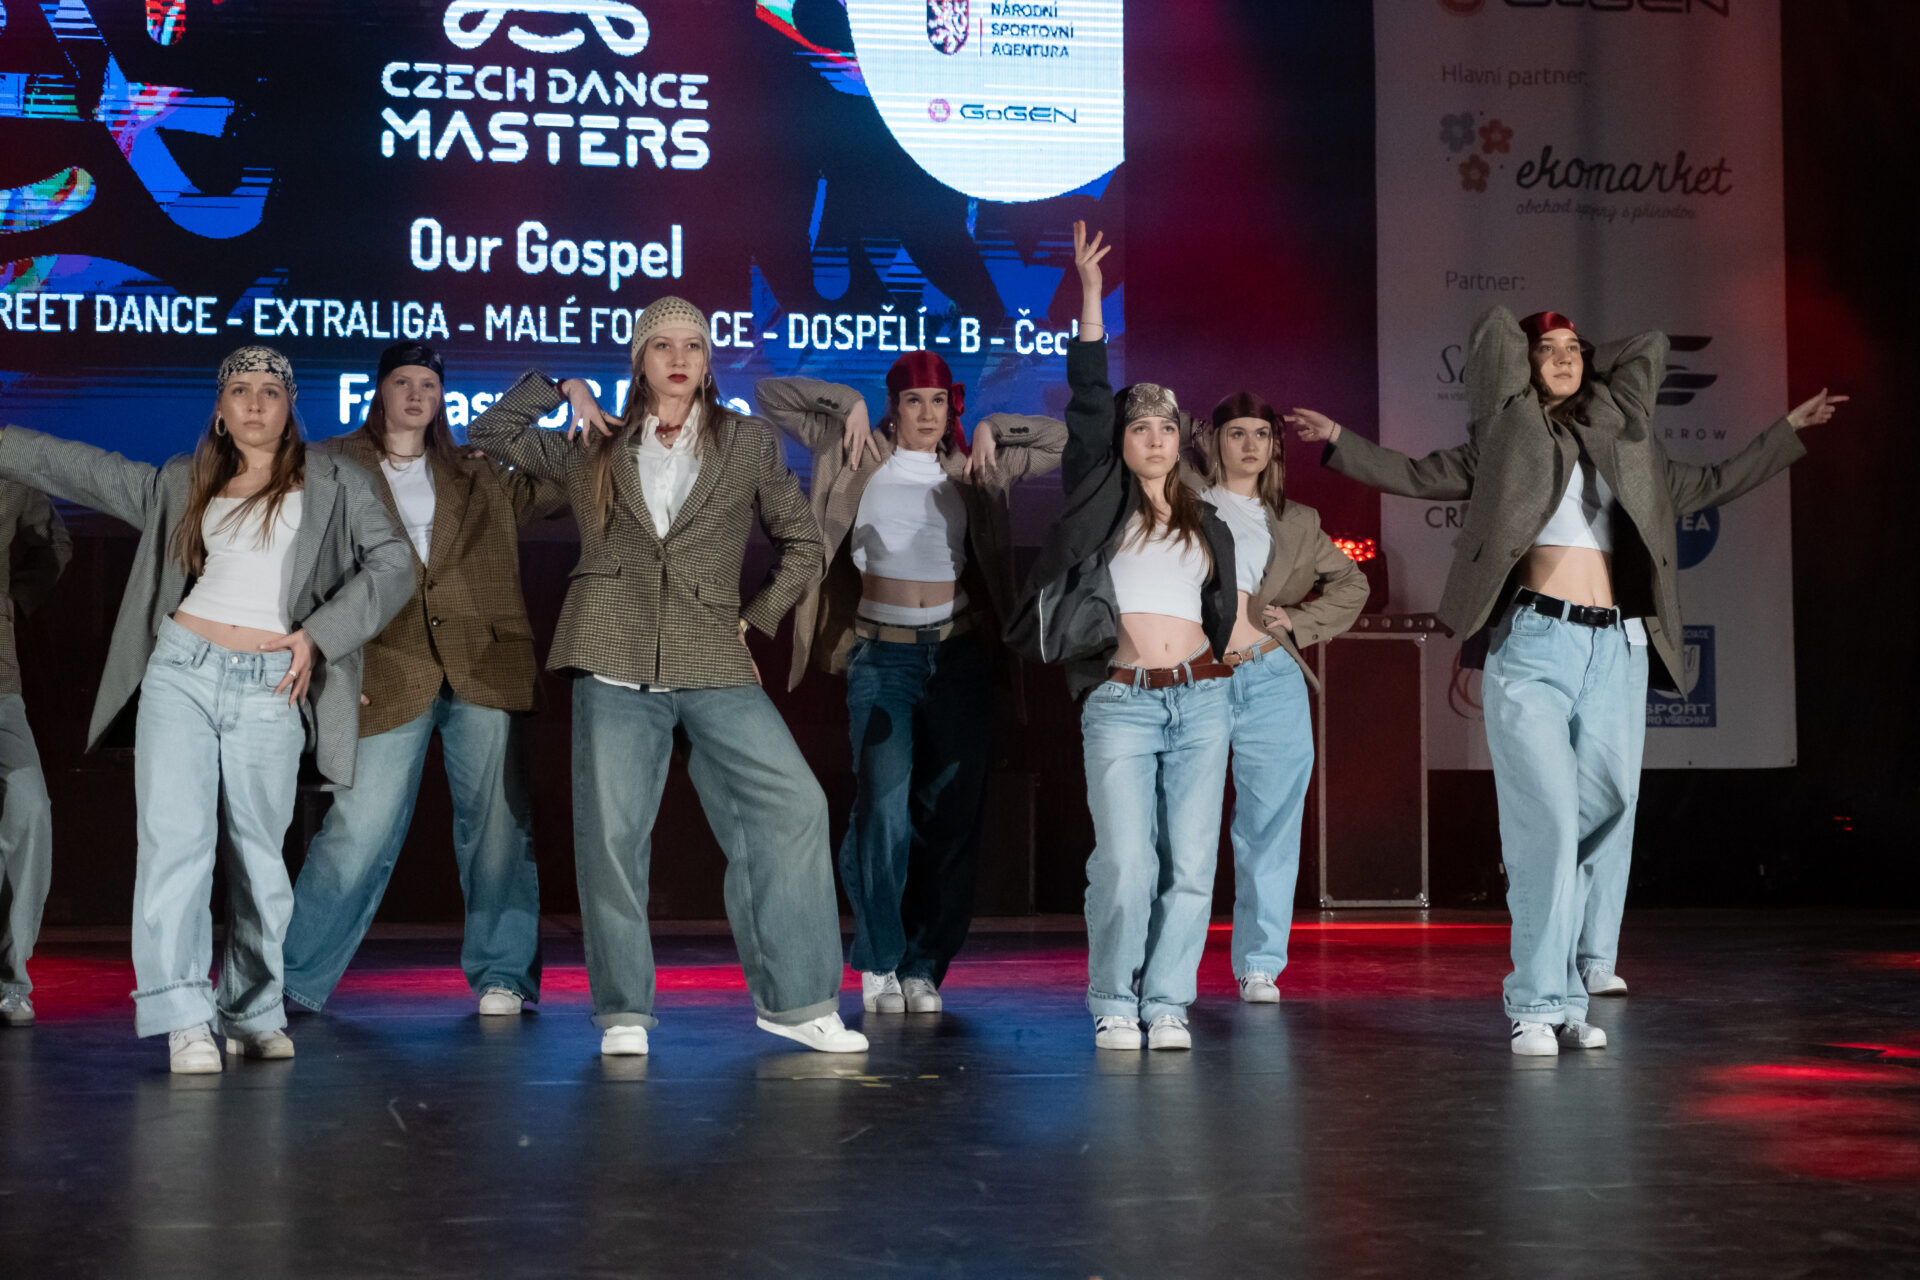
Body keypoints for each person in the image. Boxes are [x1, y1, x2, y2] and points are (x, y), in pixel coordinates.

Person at [1291, 306, 1845, 1055]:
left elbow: (1669, 385)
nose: (1563, 357)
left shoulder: (1630, 443)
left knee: (1604, 812)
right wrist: (1341, 441)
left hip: (1617, 646)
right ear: (1522, 364)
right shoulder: (1507, 434)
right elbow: (1426, 459)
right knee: (1546, 824)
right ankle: (1535, 1003)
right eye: (1545, 349)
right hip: (1534, 644)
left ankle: (1571, 990)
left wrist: (1785, 432)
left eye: (1574, 349)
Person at [468, 296, 867, 1057]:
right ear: (639, 360)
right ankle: (624, 1009)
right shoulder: (595, 444)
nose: (679, 358)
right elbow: (489, 433)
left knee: (796, 804)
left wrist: (755, 617)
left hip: (711, 650)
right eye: (662, 346)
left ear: (709, 361)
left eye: (693, 345)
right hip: (611, 648)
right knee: (612, 837)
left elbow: (804, 545)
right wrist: (564, 388)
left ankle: (798, 1001)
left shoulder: (746, 440)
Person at [0, 346, 414, 1072]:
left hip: (272, 682)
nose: (255, 402)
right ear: (220, 409)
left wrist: (320, 635)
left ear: (289, 406)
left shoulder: (336, 483)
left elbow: (396, 563)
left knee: (261, 859)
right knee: (175, 846)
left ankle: (251, 1010)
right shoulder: (180, 481)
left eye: (270, 391)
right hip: (181, 673)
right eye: (239, 390)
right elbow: (82, 468)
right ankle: (184, 1016)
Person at [755, 354, 1067, 1016]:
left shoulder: (975, 466)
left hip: (958, 659)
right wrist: (846, 401)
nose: (928, 413)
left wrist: (996, 430)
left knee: (949, 817)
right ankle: (880, 957)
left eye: (939, 400)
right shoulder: (854, 452)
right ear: (893, 408)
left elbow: (1064, 439)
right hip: (882, 660)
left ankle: (924, 964)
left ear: (953, 407)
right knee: (883, 812)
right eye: (914, 400)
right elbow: (770, 391)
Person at [1004, 223, 1237, 1052]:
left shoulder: (1209, 522)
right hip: (1122, 702)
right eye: (1141, 428)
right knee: (1126, 862)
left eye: (1166, 428)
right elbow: (1091, 397)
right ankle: (1113, 995)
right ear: (1122, 441)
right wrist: (1093, 299)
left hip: (1203, 701)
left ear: (1181, 439)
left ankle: (1167, 1001)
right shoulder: (1098, 498)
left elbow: (1222, 613)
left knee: (1191, 865)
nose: (1154, 438)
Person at [282, 341, 564, 1019]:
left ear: (443, 398)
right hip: (384, 664)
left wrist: (562, 391)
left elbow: (571, 479)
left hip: (484, 662)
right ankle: (289, 978)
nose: (416, 395)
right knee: (359, 829)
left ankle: (503, 974)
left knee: (499, 827)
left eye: (429, 385)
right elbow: (300, 568)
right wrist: (331, 664)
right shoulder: (330, 463)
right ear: (379, 390)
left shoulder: (477, 469)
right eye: (403, 382)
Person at [1196, 395, 1368, 1003]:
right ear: (1213, 439)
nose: (1250, 445)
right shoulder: (1185, 498)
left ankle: (1259, 964)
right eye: (1237, 433)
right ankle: (1164, 966)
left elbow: (1352, 583)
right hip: (1199, 676)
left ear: (1275, 447)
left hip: (1272, 677)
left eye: (1262, 435)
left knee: (1269, 827)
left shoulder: (1297, 520)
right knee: (1184, 826)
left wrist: (1300, 620)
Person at [0, 480, 71, 1027]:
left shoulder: (8, 470)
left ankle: (10, 979)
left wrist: (15, 602)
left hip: (0, 684)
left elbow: (55, 544)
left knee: (29, 809)